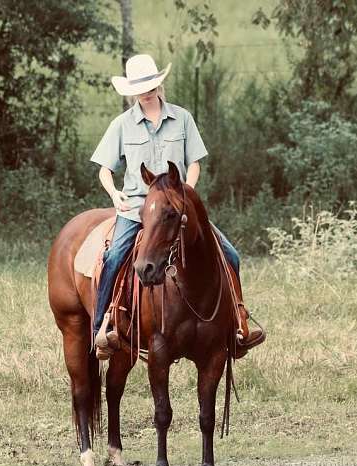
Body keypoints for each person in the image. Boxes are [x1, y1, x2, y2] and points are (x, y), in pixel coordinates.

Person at [90, 54, 264, 360]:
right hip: (138, 209)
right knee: (115, 255)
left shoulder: (182, 118)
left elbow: (193, 163)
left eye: (150, 85)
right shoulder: (122, 125)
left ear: (159, 83)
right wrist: (114, 194)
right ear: (131, 90)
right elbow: (105, 169)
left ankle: (237, 324)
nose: (146, 92)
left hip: (179, 210)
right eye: (140, 87)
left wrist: (187, 194)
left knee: (230, 254)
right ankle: (103, 326)